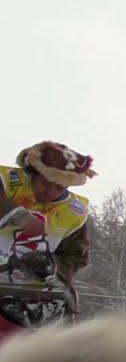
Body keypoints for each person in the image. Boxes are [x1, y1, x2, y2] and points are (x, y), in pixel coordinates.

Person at [0, 141, 95, 340]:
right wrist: (19, 217)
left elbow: (75, 256)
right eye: (46, 184)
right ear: (33, 174)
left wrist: (52, 268)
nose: (51, 192)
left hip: (30, 301)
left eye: (59, 187)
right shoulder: (8, 183)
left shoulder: (74, 211)